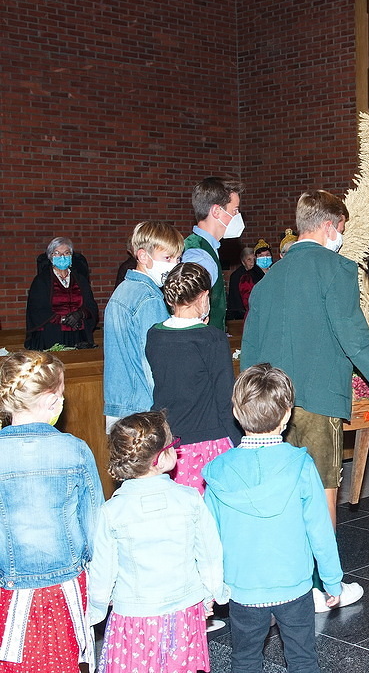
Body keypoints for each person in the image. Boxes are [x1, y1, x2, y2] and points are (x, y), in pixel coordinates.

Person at [240, 189, 369, 532]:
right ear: (329, 226)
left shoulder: (268, 281)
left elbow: (250, 350)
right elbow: (354, 338)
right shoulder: (337, 269)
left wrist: (250, 405)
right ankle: (326, 567)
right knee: (321, 493)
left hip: (271, 405)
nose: (340, 237)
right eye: (341, 229)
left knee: (282, 492)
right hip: (319, 400)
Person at [203, 364, 360, 673]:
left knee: (245, 659)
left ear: (236, 412)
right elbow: (320, 530)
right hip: (294, 586)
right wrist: (332, 580)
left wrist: (209, 588)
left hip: (243, 589)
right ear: (287, 414)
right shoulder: (300, 466)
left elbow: (208, 538)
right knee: (302, 659)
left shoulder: (219, 470)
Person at [86, 411, 229, 673]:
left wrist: (96, 608)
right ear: (160, 458)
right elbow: (209, 554)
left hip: (133, 615)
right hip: (184, 610)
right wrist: (213, 592)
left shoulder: (112, 511)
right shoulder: (190, 499)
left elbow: (102, 570)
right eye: (173, 444)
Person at [0, 350, 102, 671]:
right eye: (61, 395)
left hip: (9, 586)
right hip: (65, 584)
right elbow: (94, 524)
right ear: (49, 400)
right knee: (62, 660)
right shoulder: (75, 449)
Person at [146, 262, 242, 493]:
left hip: (169, 443)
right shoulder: (211, 338)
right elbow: (225, 399)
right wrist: (240, 444)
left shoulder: (155, 334)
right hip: (207, 440)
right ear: (203, 296)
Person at [103, 221, 184, 433]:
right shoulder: (149, 299)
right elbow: (155, 362)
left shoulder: (122, 290)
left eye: (178, 259)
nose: (174, 265)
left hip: (121, 403)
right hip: (144, 407)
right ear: (143, 256)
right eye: (168, 258)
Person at [182, 176, 245, 330]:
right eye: (235, 210)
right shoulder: (200, 256)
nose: (238, 216)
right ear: (216, 211)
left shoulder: (206, 249)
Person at [25, 237, 99, 350]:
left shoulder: (80, 279)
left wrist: (79, 315)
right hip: (52, 334)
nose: (62, 256)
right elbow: (37, 310)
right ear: (51, 257)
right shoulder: (41, 281)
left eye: (66, 253)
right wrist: (63, 319)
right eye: (57, 253)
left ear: (71, 256)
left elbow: (91, 305)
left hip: (78, 333)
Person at [226, 246, 261, 321]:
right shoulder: (236, 276)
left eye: (254, 259)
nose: (252, 262)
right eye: (249, 259)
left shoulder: (258, 272)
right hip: (241, 314)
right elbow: (235, 299)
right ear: (243, 261)